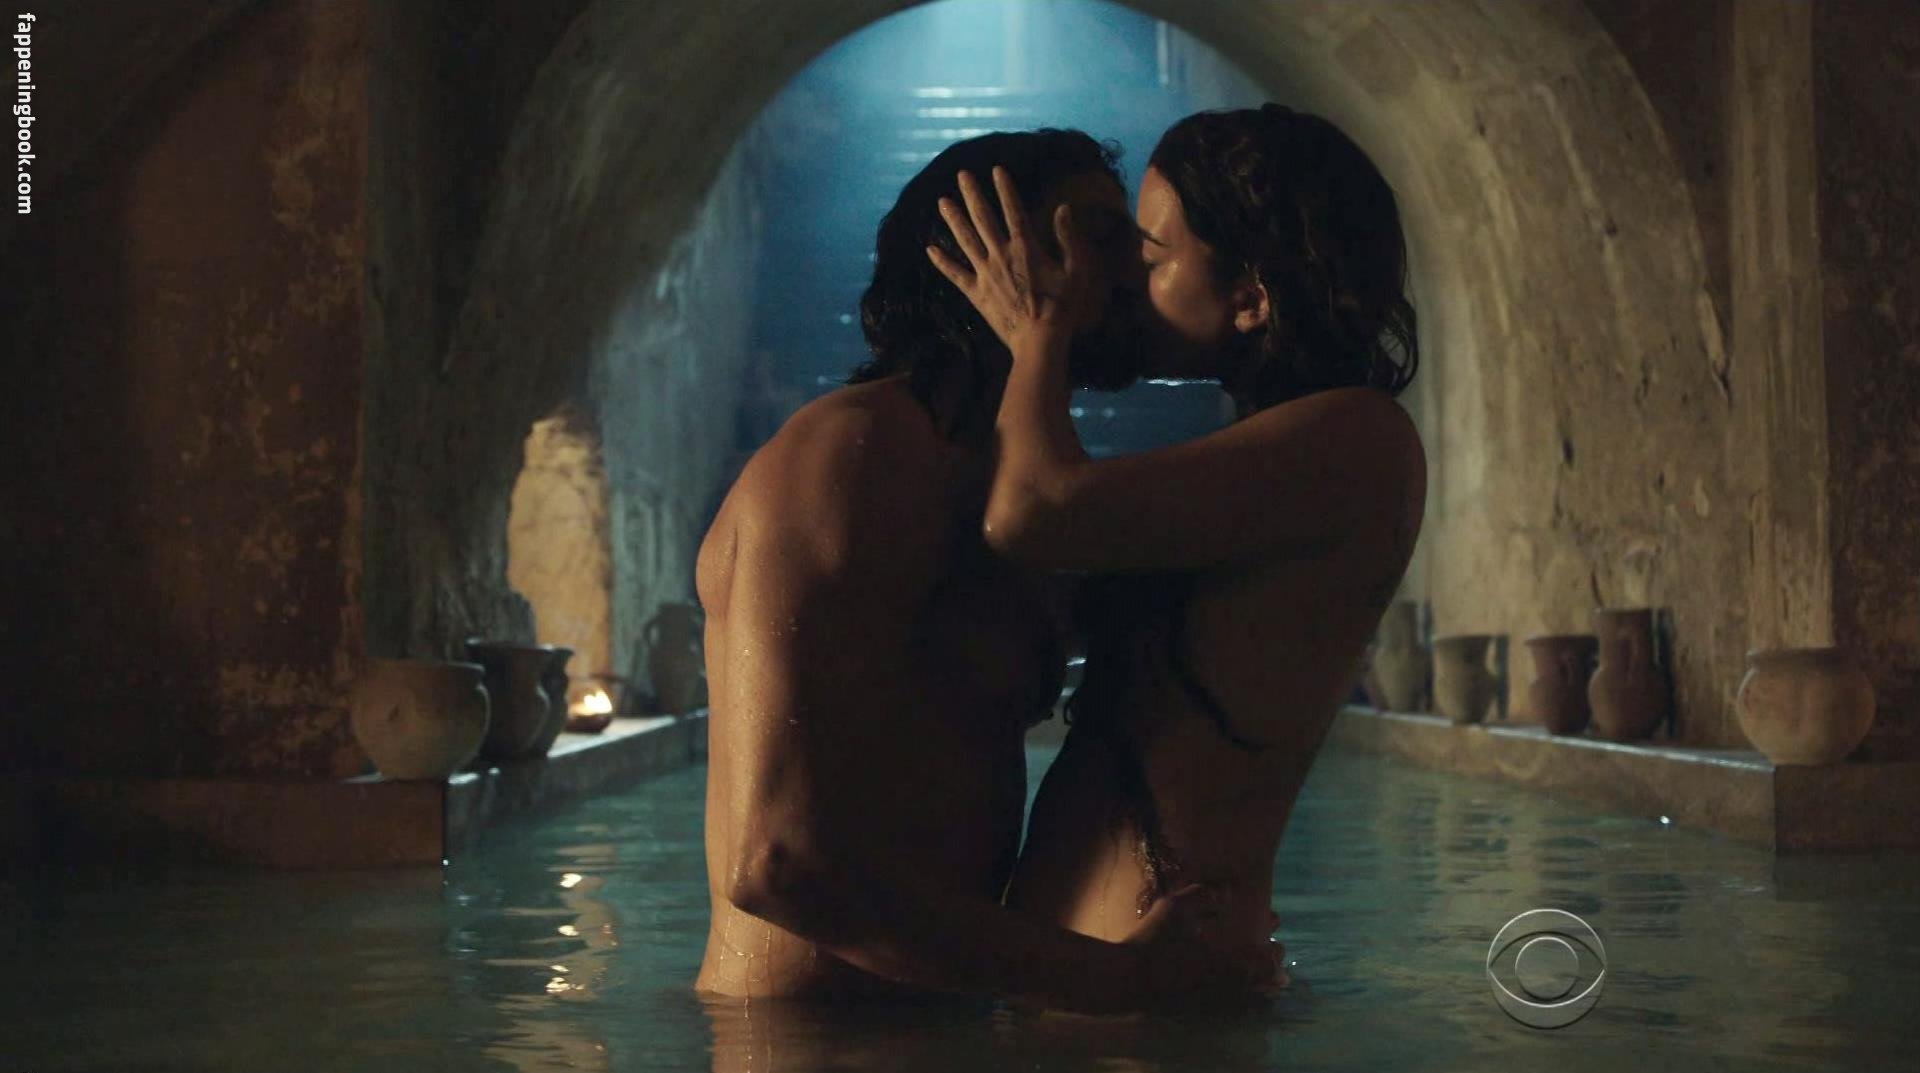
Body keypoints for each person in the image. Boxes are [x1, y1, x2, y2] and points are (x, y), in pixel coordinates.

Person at [693, 128, 1275, 1014]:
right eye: (1097, 234)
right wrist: (1119, 978)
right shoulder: (854, 452)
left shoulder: (1015, 486)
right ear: (981, 257)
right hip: (800, 1042)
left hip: (937, 1024)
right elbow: (778, 863)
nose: (1137, 267)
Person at [927, 104, 1426, 960]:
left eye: (1153, 256)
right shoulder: (1260, 456)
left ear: (1252, 297)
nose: (1123, 274)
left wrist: (1037, 334)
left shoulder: (1356, 438)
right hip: (1115, 976)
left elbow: (1031, 513)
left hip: (1161, 976)